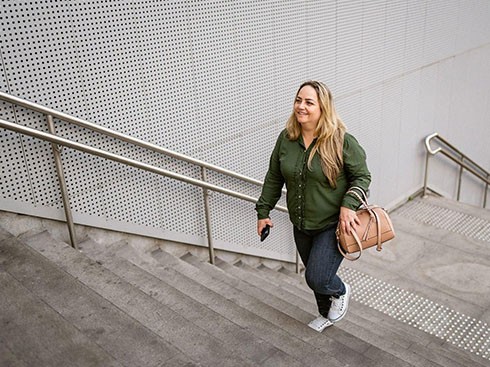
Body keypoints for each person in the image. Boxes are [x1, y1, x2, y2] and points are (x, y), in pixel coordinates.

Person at [255, 80, 371, 332]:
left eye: (309, 102)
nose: (301, 106)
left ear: (323, 108)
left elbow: (363, 177)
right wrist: (263, 212)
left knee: (318, 276)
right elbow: (274, 177)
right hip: (300, 224)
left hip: (332, 225)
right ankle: (325, 315)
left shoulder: (342, 141)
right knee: (314, 278)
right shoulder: (286, 139)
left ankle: (341, 290)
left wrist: (348, 205)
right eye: (298, 100)